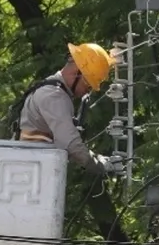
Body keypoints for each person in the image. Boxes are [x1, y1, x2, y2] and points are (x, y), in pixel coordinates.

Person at [16, 42, 124, 175]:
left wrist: (95, 158)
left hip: (32, 168)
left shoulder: (54, 90)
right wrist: (98, 166)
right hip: (30, 172)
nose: (86, 92)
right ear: (77, 73)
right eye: (87, 86)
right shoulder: (54, 96)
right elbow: (70, 144)